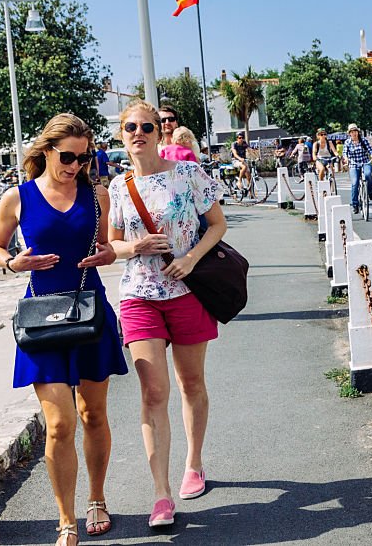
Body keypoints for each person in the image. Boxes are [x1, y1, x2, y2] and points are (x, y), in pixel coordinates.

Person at [0, 114, 127, 546]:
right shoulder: (18, 198)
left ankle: (97, 500)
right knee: (60, 424)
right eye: (68, 157)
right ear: (46, 150)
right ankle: (66, 519)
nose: (75, 166)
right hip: (42, 320)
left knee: (93, 414)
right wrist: (12, 262)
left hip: (89, 313)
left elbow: (106, 248)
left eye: (83, 158)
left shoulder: (97, 194)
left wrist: (107, 256)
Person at [108, 100, 227, 530]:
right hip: (139, 295)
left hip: (188, 292)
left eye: (145, 126)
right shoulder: (118, 187)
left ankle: (193, 463)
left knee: (190, 382)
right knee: (153, 391)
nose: (137, 133)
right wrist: (135, 247)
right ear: (121, 135)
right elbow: (111, 246)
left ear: (160, 133)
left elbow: (217, 224)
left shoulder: (188, 174)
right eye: (129, 127)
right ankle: (160, 495)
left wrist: (192, 258)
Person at [344, 123, 372, 214]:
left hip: (365, 162)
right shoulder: (347, 142)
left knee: (368, 174)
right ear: (349, 133)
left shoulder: (363, 140)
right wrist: (346, 160)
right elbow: (345, 153)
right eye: (352, 132)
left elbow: (370, 150)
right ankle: (355, 204)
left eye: (355, 131)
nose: (354, 133)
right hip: (353, 164)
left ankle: (369, 191)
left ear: (358, 132)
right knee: (355, 183)